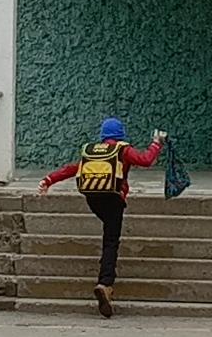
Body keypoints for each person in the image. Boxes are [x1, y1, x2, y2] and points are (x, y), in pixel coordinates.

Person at [38, 116, 168, 315]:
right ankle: (105, 283)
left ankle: (106, 277)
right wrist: (156, 143)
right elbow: (146, 160)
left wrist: (49, 180)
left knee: (108, 228)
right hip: (113, 198)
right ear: (121, 134)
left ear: (102, 135)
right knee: (111, 241)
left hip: (93, 198)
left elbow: (73, 169)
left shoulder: (93, 151)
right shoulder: (123, 150)